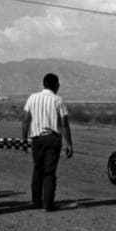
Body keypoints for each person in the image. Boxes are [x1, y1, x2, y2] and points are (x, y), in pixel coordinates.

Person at [21, 73, 73, 212]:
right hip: (52, 138)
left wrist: (24, 139)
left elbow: (26, 119)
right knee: (49, 172)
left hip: (36, 139)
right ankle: (48, 204)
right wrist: (69, 143)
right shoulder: (58, 100)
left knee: (38, 169)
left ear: (44, 84)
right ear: (56, 85)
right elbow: (64, 124)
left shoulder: (32, 98)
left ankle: (36, 202)